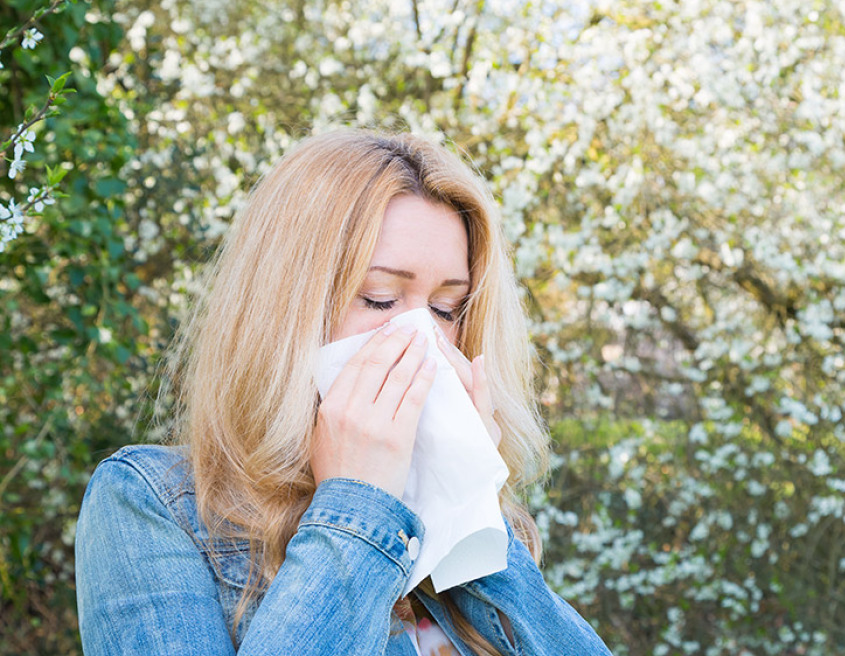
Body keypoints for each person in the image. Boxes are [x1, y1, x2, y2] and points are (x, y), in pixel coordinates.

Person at [74, 130, 613, 656]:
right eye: (379, 299)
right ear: (283, 311)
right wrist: (358, 501)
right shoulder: (150, 505)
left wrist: (467, 507)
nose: (420, 337)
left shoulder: (470, 519)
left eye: (446, 309)